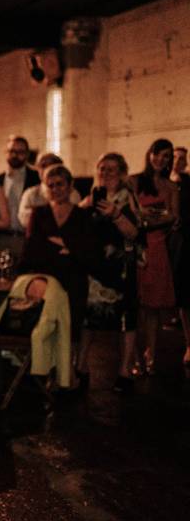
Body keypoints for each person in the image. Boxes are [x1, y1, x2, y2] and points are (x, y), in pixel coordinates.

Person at [75, 153, 140, 393]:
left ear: (122, 173)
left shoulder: (128, 198)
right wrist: (81, 208)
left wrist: (115, 214)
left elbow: (134, 233)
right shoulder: (91, 197)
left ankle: (125, 371)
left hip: (120, 267)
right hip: (95, 268)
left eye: (111, 169)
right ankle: (81, 368)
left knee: (126, 320)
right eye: (101, 168)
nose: (105, 173)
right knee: (88, 319)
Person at [21, 165, 99, 346]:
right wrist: (69, 246)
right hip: (45, 278)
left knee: (71, 332)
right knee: (44, 331)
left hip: (74, 279)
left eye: (60, 184)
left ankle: (69, 372)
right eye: (50, 185)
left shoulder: (82, 215)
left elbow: (89, 251)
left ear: (70, 185)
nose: (55, 189)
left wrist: (64, 244)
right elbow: (32, 248)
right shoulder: (38, 213)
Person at [132, 138, 178, 375]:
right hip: (135, 246)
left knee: (152, 307)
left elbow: (173, 217)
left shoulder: (171, 187)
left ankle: (150, 355)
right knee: (135, 304)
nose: (161, 160)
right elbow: (129, 213)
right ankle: (134, 356)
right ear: (150, 154)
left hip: (157, 247)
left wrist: (147, 219)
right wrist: (147, 218)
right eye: (158, 154)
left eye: (167, 156)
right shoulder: (134, 181)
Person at [0, 135, 40, 261]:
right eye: (11, 151)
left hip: (27, 239)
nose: (15, 155)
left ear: (27, 154)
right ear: (6, 152)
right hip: (1, 239)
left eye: (20, 152)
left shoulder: (37, 178)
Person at [17, 152, 81, 229]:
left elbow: (73, 219)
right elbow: (24, 219)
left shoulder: (72, 193)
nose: (47, 169)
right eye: (43, 166)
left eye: (51, 164)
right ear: (37, 169)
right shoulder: (30, 193)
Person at [171, 146, 190, 366]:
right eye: (174, 157)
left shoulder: (187, 183)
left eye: (181, 158)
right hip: (165, 241)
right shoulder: (158, 183)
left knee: (185, 292)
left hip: (183, 240)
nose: (177, 161)